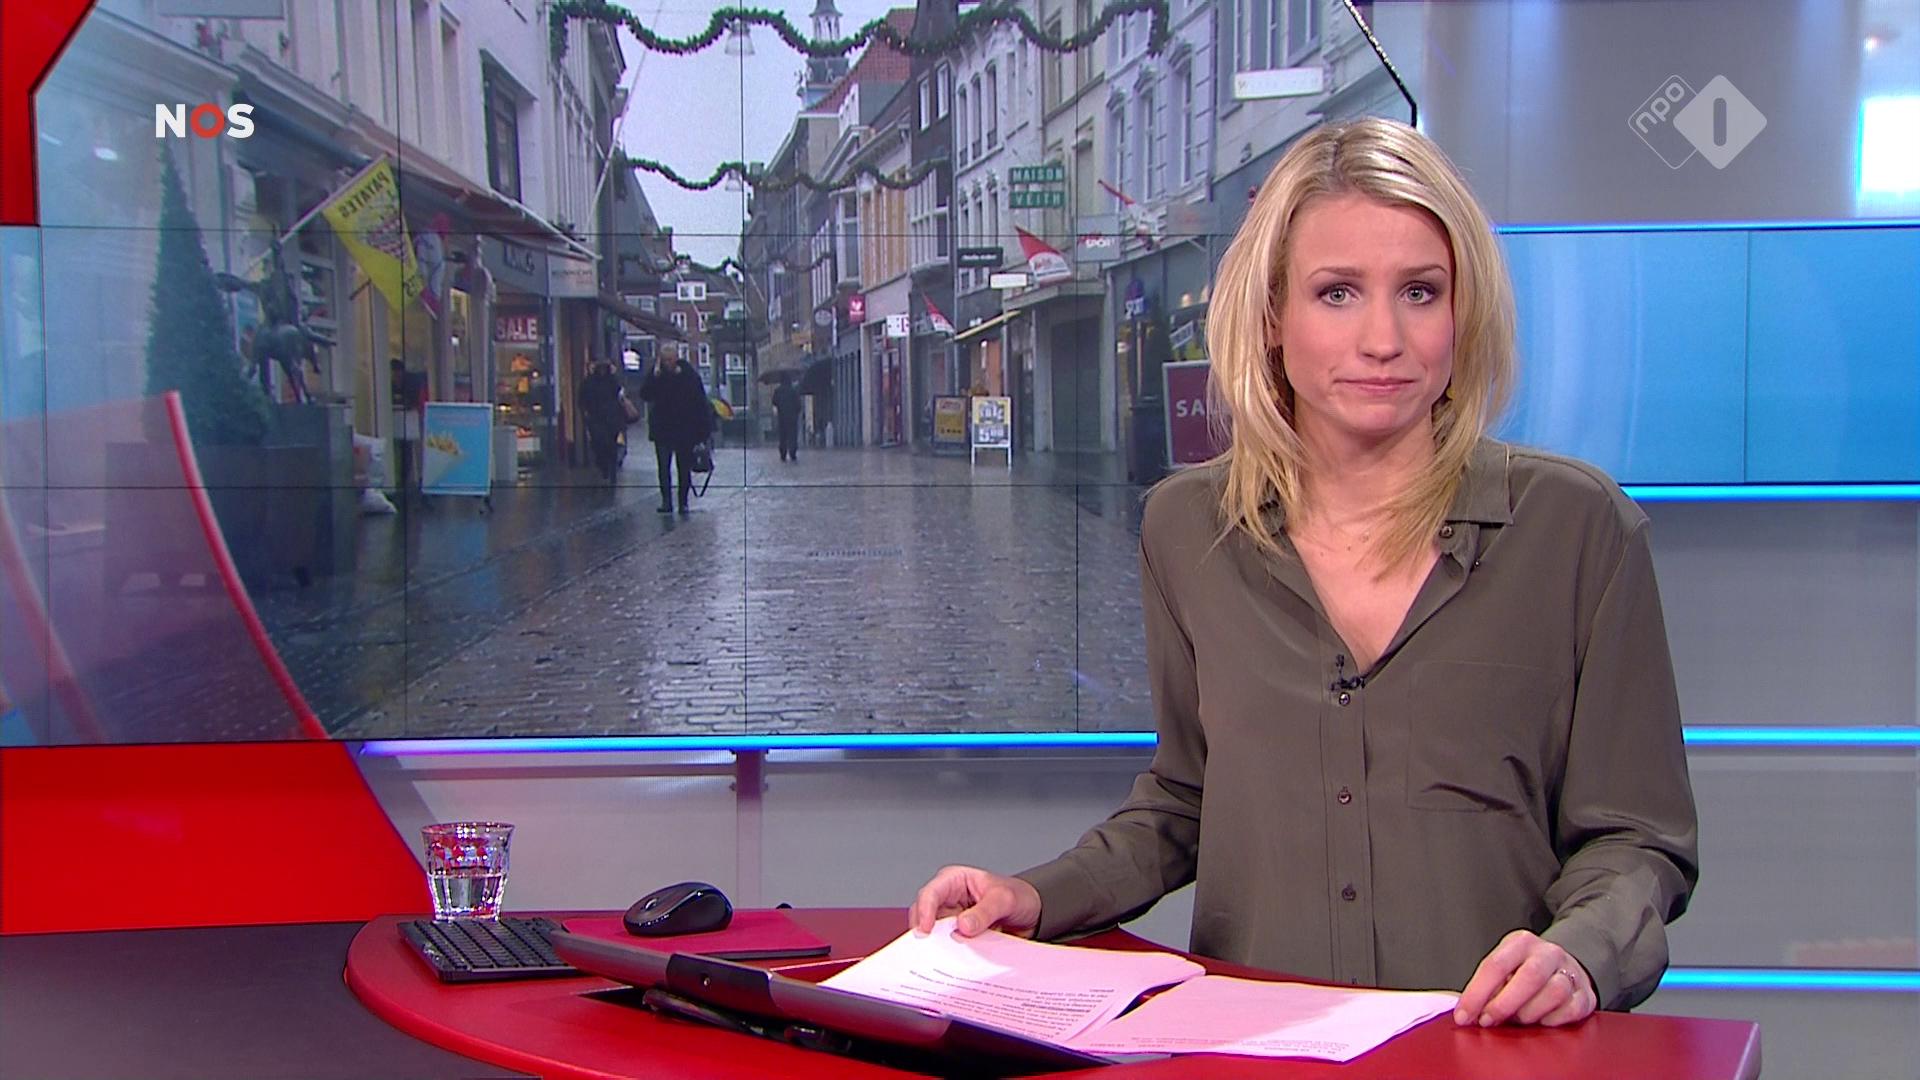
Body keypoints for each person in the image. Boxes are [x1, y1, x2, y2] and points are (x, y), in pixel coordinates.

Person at [908, 118, 1697, 1030]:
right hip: (1254, 1048)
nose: (1383, 338)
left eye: (1420, 291)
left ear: (1464, 311)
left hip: (1485, 1051)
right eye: (1337, 293)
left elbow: (1638, 839)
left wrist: (1580, 952)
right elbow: (1188, 797)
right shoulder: (1187, 529)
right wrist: (1039, 896)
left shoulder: (1577, 529)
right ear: (1273, 315)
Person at [636, 347, 713, 514]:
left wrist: (703, 432)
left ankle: (683, 502)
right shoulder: (656, 375)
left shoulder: (688, 375)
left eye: (670, 359)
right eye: (664, 360)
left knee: (683, 467)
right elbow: (645, 394)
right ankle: (666, 502)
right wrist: (654, 377)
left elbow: (700, 403)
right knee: (663, 467)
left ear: (676, 358)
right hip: (662, 430)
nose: (667, 363)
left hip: (684, 430)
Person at [576, 359, 628, 486]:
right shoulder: (589, 382)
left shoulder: (612, 381)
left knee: (611, 445)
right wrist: (586, 412)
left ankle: (611, 469)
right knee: (599, 444)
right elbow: (582, 399)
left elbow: (619, 395)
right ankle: (604, 466)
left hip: (611, 419)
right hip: (597, 418)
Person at [773, 371, 803, 462]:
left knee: (783, 436)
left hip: (782, 417)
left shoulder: (778, 391)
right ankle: (792, 452)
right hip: (792, 417)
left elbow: (774, 402)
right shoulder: (793, 391)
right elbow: (798, 404)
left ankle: (783, 453)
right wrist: (796, 412)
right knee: (792, 435)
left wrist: (780, 407)